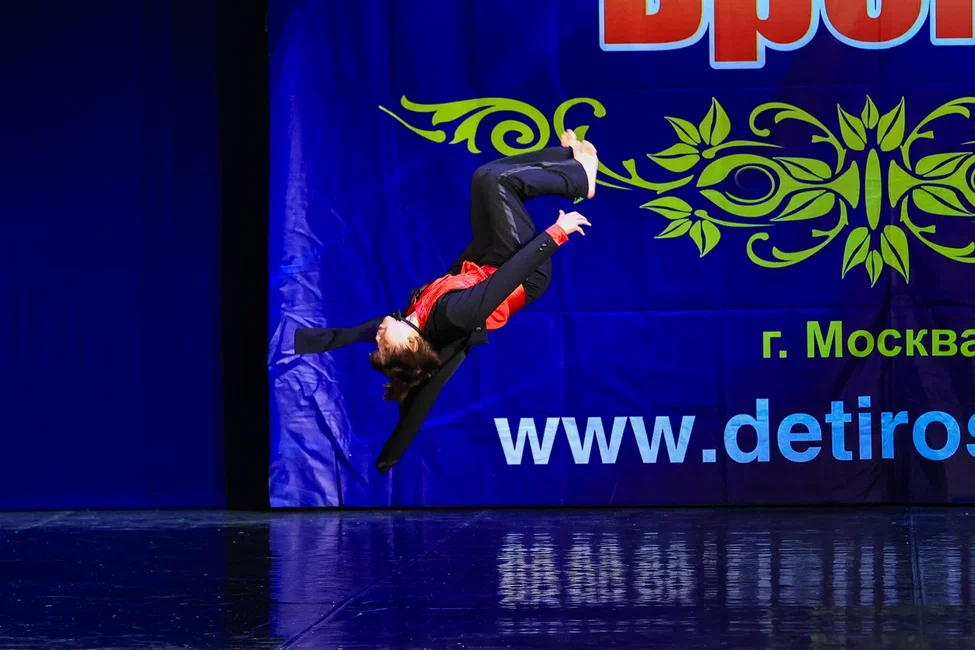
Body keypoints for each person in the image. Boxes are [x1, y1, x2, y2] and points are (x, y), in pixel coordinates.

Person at [294, 130, 599, 472]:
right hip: (523, 273)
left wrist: (295, 342)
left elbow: (352, 334)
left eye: (377, 343)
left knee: (484, 177)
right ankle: (578, 177)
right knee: (496, 182)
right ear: (411, 344)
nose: (377, 336)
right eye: (384, 344)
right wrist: (555, 234)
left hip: (488, 259)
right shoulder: (453, 316)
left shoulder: (411, 319)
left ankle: (570, 161)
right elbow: (503, 283)